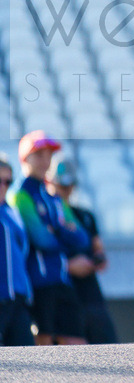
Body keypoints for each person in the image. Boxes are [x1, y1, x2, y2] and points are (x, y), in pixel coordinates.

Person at [8, 130, 89, 345]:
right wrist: (62, 230)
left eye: (49, 155)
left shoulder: (52, 195)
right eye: (40, 154)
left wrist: (56, 230)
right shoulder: (19, 194)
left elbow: (82, 238)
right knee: (43, 350)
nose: (46, 160)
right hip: (39, 283)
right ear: (25, 158)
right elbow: (41, 239)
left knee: (78, 346)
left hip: (62, 280)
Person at [45, 156, 119, 344]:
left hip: (89, 294)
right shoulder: (44, 217)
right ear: (50, 183)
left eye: (70, 186)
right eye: (62, 186)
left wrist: (95, 261)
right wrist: (68, 266)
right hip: (59, 293)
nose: (66, 191)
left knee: (107, 348)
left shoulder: (85, 216)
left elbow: (100, 252)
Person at [0, 154, 35, 346]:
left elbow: (23, 251)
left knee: (27, 359)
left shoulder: (12, 213)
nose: (3, 186)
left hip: (18, 300)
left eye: (8, 181)